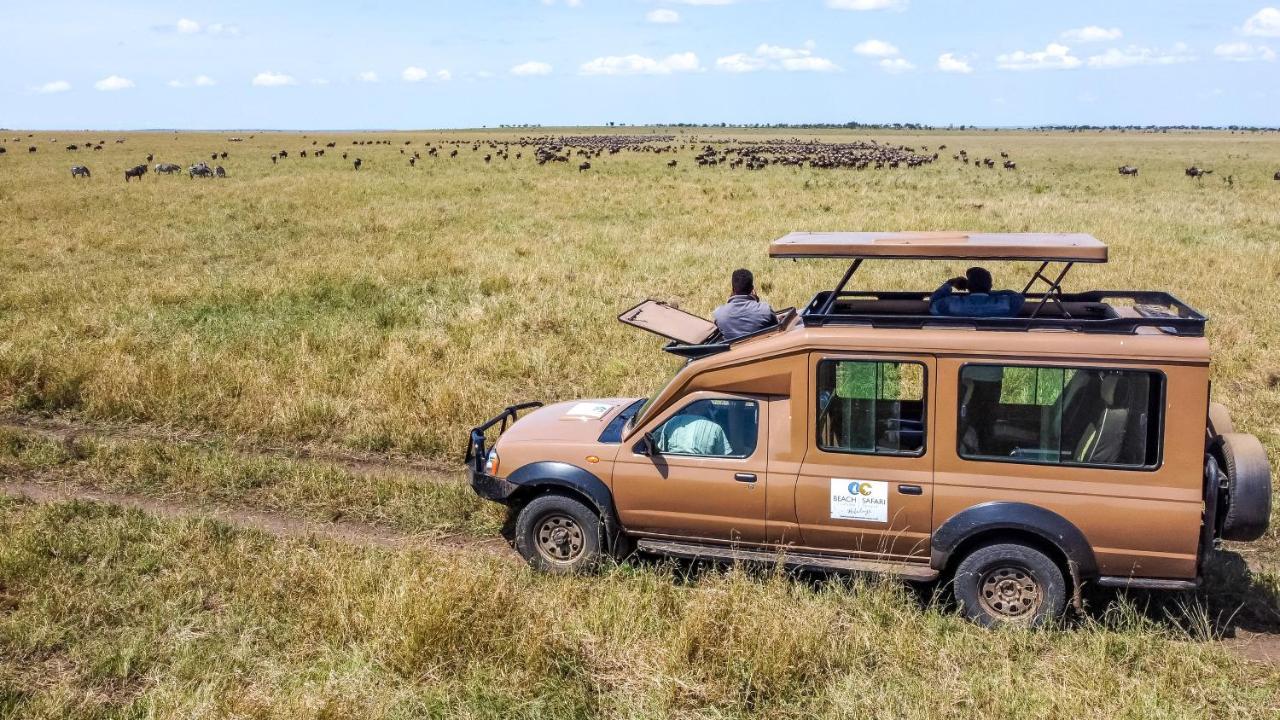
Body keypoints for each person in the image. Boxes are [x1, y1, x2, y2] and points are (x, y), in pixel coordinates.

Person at [929, 266, 1026, 318]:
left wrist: (950, 283)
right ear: (990, 286)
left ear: (968, 286)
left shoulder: (951, 304)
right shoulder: (1007, 304)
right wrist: (990, 293)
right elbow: (1019, 298)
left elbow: (933, 304)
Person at [712, 269, 777, 340]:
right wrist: (756, 301)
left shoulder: (719, 314)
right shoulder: (765, 310)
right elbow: (778, 329)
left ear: (733, 289)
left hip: (734, 351)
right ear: (752, 289)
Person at [657, 402, 733, 456]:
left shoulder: (671, 422)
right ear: (707, 406)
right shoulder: (715, 428)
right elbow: (725, 457)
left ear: (687, 405)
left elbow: (661, 451)